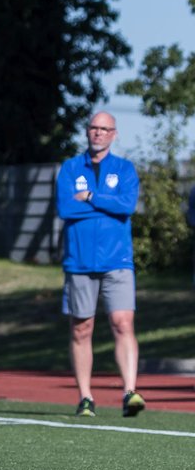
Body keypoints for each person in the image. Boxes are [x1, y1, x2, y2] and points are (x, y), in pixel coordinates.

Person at [55, 111, 144, 417]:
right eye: (94, 127)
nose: (98, 133)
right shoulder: (69, 168)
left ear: (114, 134)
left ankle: (130, 393)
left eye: (105, 129)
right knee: (82, 329)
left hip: (117, 261)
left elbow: (126, 206)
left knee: (123, 323)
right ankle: (85, 398)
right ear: (87, 131)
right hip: (79, 262)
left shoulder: (125, 169)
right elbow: (66, 208)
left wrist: (91, 196)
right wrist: (106, 204)